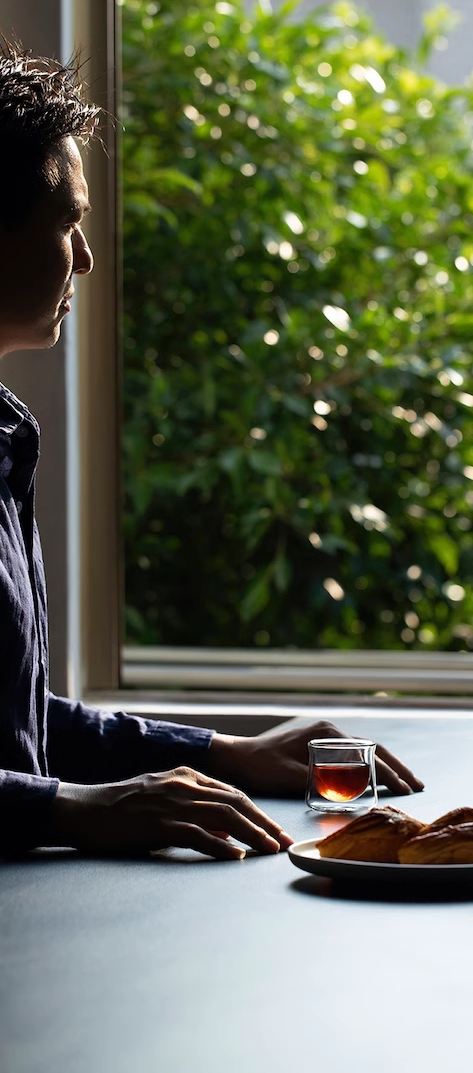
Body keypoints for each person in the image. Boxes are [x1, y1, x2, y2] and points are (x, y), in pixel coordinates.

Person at [0, 43, 423, 859]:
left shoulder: (5, 438)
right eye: (68, 223)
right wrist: (71, 812)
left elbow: (14, 718)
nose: (85, 257)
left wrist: (228, 752)